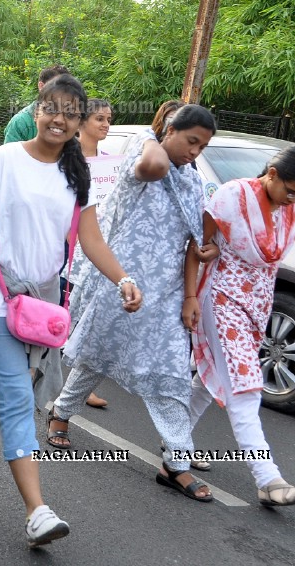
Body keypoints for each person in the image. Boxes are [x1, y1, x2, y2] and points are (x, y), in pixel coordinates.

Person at [0, 74, 142, 547]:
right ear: (37, 112)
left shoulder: (78, 172)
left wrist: (125, 279)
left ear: (78, 122)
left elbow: (89, 239)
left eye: (71, 112)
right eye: (52, 108)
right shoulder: (6, 159)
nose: (60, 118)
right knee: (15, 395)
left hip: (42, 305)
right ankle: (37, 511)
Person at [50, 104, 218, 503]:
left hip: (167, 294)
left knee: (171, 373)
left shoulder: (193, 182)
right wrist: (152, 137)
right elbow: (155, 165)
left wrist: (192, 293)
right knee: (95, 356)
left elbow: (194, 244)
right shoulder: (142, 158)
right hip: (121, 282)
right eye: (191, 141)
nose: (195, 152)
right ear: (170, 129)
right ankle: (60, 413)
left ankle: (176, 463)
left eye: (203, 146)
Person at [189, 146, 295, 507]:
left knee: (211, 375)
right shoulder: (234, 195)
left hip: (258, 304)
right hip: (222, 299)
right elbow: (200, 243)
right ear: (272, 174)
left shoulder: (294, 209)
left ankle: (175, 440)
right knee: (245, 385)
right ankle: (268, 478)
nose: (294, 199)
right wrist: (190, 292)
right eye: (291, 190)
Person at [71, 98, 115, 409]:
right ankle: (34, 372)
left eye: (108, 119)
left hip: (99, 246)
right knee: (60, 311)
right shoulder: (65, 157)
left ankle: (79, 386)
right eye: (99, 118)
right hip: (70, 243)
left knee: (88, 317)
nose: (105, 124)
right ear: (83, 121)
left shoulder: (112, 162)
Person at [3, 65, 71, 143]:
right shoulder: (20, 123)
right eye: (58, 87)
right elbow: (10, 153)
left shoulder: (72, 120)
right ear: (41, 86)